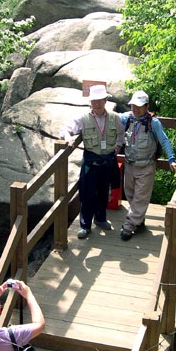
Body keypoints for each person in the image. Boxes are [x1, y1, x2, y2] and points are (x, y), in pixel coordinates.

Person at [59, 84, 125, 238]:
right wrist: (68, 138)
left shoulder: (115, 118)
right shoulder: (83, 119)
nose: (97, 103)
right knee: (87, 194)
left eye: (100, 100)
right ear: (90, 102)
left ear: (105, 100)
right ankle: (85, 225)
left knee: (103, 192)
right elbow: (65, 129)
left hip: (107, 161)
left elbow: (122, 133)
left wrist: (118, 145)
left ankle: (101, 219)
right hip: (91, 162)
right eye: (94, 101)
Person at [119, 90, 176, 241]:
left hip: (146, 166)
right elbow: (110, 119)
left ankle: (129, 225)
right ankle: (138, 219)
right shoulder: (127, 118)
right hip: (130, 165)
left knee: (140, 197)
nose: (135, 108)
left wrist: (171, 158)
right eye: (133, 105)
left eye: (139, 106)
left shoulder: (154, 123)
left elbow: (164, 140)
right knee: (130, 194)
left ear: (147, 106)